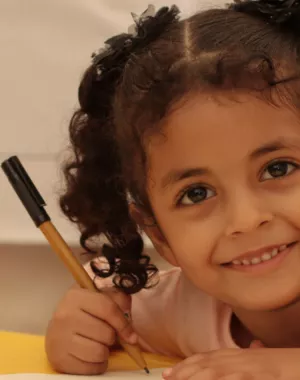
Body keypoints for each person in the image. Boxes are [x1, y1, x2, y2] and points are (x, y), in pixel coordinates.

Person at [45, 1, 300, 378]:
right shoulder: (181, 309)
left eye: (278, 168)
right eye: (196, 193)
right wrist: (77, 330)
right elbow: (101, 304)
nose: (246, 221)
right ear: (157, 234)